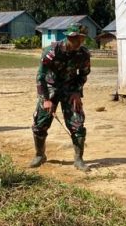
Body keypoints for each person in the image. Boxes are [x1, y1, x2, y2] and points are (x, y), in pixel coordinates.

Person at [28, 24, 92, 172]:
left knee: (77, 123)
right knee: (40, 123)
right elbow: (41, 76)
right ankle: (40, 155)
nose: (79, 42)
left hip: (70, 88)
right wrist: (45, 99)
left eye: (82, 39)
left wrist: (77, 91)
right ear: (69, 37)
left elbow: (83, 74)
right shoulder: (52, 51)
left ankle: (78, 159)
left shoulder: (83, 54)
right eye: (76, 39)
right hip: (50, 87)